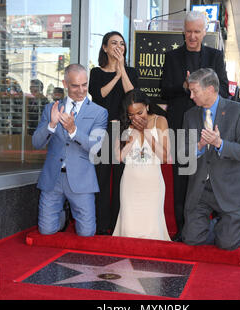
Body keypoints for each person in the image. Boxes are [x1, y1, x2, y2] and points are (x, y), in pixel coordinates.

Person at [161, 11, 229, 241]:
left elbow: (225, 90)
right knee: (182, 180)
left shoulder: (216, 56)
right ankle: (183, 230)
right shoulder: (172, 57)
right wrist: (184, 85)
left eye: (197, 31)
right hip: (181, 127)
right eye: (188, 31)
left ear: (204, 32)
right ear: (183, 31)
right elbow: (164, 90)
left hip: (210, 128)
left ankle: (221, 228)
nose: (192, 36)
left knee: (213, 178)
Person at [179, 68, 240, 253]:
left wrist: (220, 143)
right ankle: (229, 225)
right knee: (190, 239)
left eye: (194, 91)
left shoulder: (239, 111)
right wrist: (198, 146)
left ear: (210, 89)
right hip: (200, 189)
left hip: (229, 188)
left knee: (227, 245)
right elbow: (183, 154)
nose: (191, 96)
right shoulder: (190, 115)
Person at [32, 64, 108, 236]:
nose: (81, 90)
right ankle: (63, 216)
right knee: (46, 231)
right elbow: (36, 143)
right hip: (53, 178)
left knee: (87, 233)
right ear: (65, 84)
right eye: (75, 85)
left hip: (82, 179)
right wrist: (51, 125)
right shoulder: (51, 109)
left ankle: (66, 214)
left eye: (84, 85)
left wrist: (73, 130)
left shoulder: (99, 112)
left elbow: (95, 147)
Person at [89, 31, 138, 235]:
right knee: (102, 178)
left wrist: (122, 70)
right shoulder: (96, 73)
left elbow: (133, 96)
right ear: (105, 48)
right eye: (114, 43)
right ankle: (101, 225)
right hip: (101, 130)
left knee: (121, 178)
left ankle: (117, 225)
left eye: (122, 43)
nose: (119, 47)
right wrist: (116, 74)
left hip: (124, 130)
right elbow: (99, 96)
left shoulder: (132, 72)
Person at [112, 89, 171, 241]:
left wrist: (146, 132)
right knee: (129, 229)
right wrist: (132, 136)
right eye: (131, 114)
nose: (136, 117)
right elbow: (118, 157)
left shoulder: (160, 121)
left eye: (140, 112)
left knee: (152, 230)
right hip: (130, 185)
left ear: (147, 107)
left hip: (153, 185)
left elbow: (164, 157)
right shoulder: (124, 124)